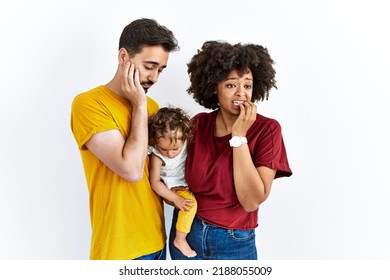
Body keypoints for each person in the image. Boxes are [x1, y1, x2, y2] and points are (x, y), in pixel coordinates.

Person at [168, 40, 293, 260]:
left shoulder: (267, 130)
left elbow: (251, 200)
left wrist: (239, 137)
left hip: (234, 242)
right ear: (213, 87)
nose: (241, 93)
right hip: (186, 233)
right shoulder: (198, 124)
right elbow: (171, 168)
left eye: (247, 85)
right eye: (231, 85)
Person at [70, 18, 179, 260]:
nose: (154, 78)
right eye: (149, 66)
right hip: (120, 248)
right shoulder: (89, 104)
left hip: (157, 241)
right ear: (123, 57)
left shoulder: (153, 106)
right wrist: (139, 105)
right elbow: (130, 170)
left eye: (160, 69)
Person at [148, 106, 197, 258]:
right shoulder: (157, 156)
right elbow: (155, 182)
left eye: (175, 149)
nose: (169, 154)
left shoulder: (187, 145)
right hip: (172, 188)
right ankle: (180, 239)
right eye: (164, 149)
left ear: (184, 138)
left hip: (188, 184)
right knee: (190, 205)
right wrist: (174, 198)